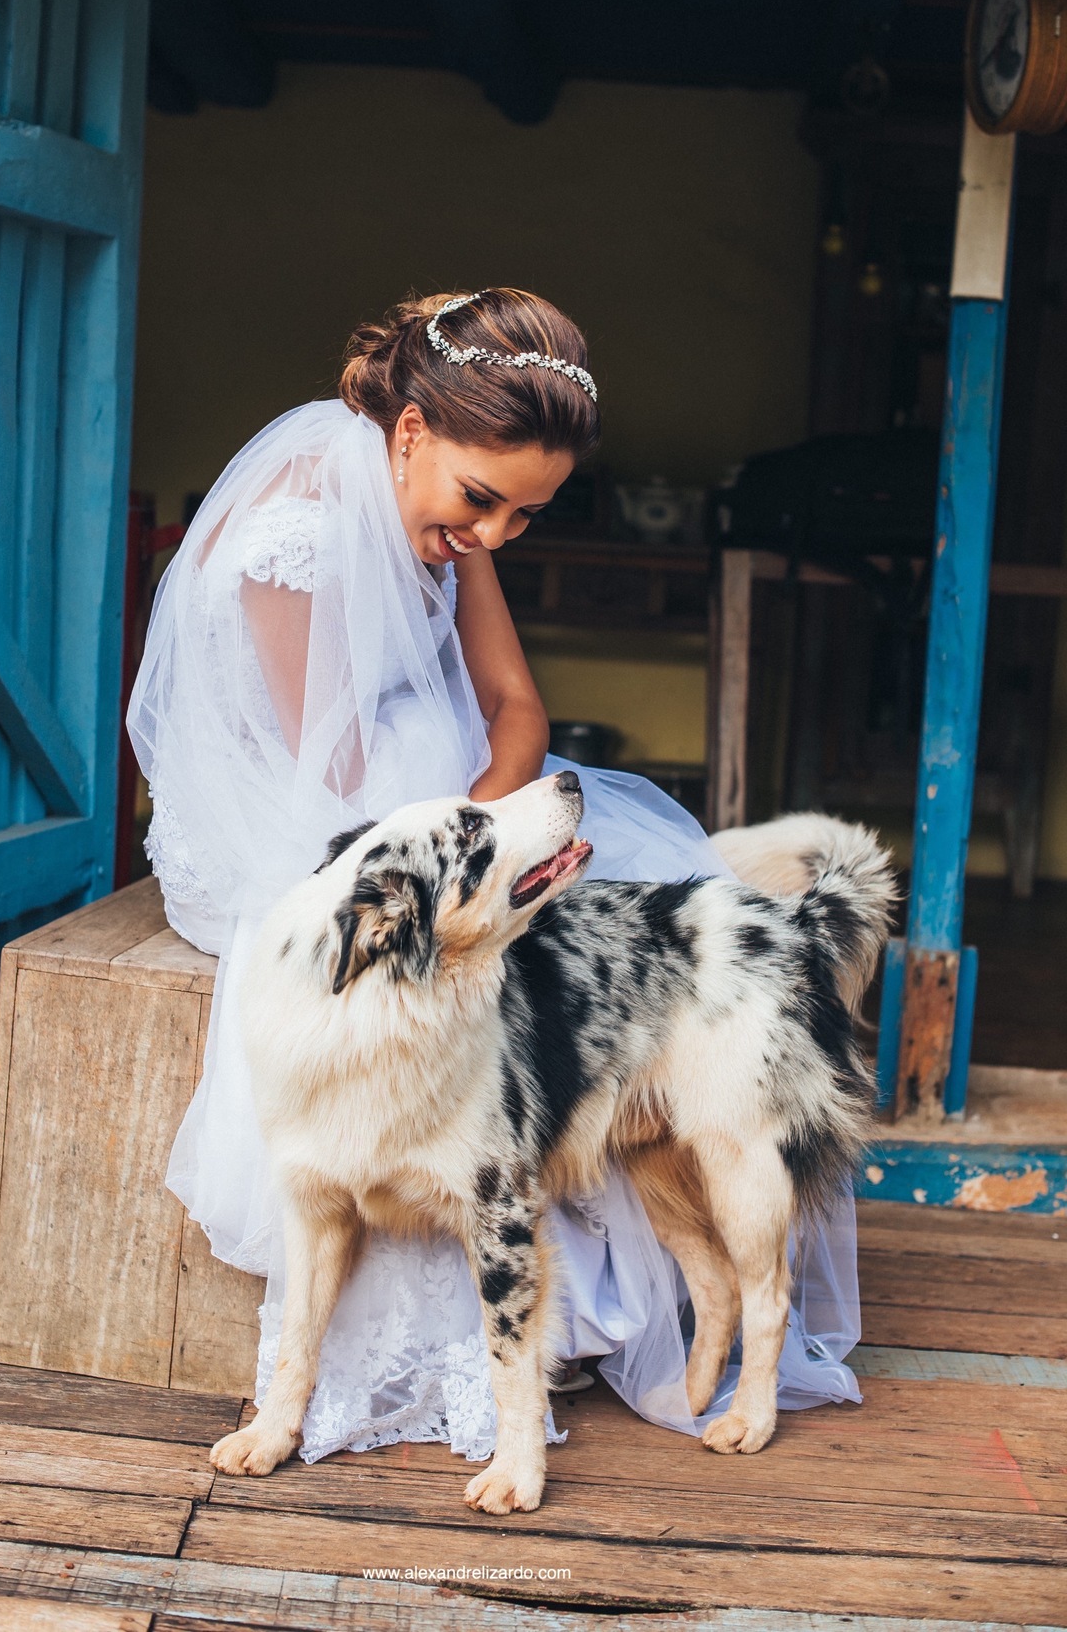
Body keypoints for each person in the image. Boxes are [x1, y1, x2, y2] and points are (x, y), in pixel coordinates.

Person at [127, 288, 862, 1464]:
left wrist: (496, 832)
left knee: (634, 908)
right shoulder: (293, 530)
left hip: (452, 809)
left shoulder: (456, 515)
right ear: (411, 431)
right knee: (518, 963)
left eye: (527, 514)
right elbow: (335, 798)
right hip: (307, 832)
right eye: (483, 500)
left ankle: (661, 1258)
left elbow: (519, 708)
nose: (497, 534)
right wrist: (479, 864)